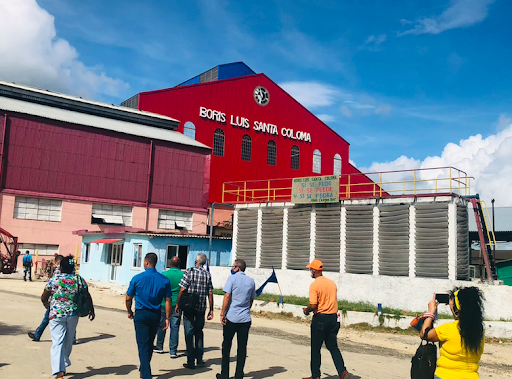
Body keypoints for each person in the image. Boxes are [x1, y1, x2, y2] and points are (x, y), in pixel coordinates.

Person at [41, 255, 95, 378]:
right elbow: (87, 295)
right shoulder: (79, 279)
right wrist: (92, 310)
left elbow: (44, 296)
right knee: (68, 340)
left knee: (57, 342)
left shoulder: (55, 279)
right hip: (72, 314)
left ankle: (59, 369)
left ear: (61, 267)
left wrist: (47, 305)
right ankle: (63, 363)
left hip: (56, 315)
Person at [419, 287, 485, 379]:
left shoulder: (448, 329)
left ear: (456, 308)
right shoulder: (479, 331)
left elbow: (424, 334)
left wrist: (430, 312)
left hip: (445, 375)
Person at [126, 252, 172, 379]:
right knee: (150, 343)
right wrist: (167, 318)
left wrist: (129, 311)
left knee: (142, 345)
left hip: (141, 314)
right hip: (156, 315)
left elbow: (128, 297)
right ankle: (143, 368)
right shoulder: (164, 280)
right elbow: (168, 300)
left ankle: (146, 375)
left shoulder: (137, 278)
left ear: (146, 262)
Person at [302, 260, 350, 379]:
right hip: (333, 319)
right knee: (333, 346)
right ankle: (343, 372)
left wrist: (306, 311)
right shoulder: (331, 283)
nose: (310, 272)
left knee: (316, 348)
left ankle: (315, 376)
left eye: (310, 270)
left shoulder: (315, 285)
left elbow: (313, 305)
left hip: (321, 319)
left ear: (314, 270)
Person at [217, 259, 256, 379]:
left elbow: (227, 295)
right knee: (242, 347)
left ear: (237, 268)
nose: (232, 268)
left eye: (233, 266)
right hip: (245, 318)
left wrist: (222, 313)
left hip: (232, 317)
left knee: (227, 345)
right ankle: (239, 374)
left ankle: (225, 374)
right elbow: (251, 299)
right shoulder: (251, 281)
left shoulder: (232, 279)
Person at [176, 253, 214, 369]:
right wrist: (211, 309)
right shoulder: (207, 274)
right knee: (199, 332)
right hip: (201, 308)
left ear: (195, 262)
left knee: (189, 333)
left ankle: (190, 360)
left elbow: (182, 289)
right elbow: (210, 293)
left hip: (189, 308)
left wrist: (178, 304)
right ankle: (199, 358)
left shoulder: (189, 272)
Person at [154, 256, 184, 358]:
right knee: (175, 327)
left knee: (162, 325)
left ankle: (159, 346)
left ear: (170, 264)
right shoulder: (183, 275)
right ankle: (173, 351)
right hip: (177, 304)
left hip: (164, 303)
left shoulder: (164, 274)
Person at [29, 255, 64, 341]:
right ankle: (72, 338)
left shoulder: (58, 271)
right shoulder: (70, 271)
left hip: (56, 297)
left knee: (47, 316)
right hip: (67, 297)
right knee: (69, 318)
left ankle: (37, 335)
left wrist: (45, 301)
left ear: (57, 262)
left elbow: (52, 284)